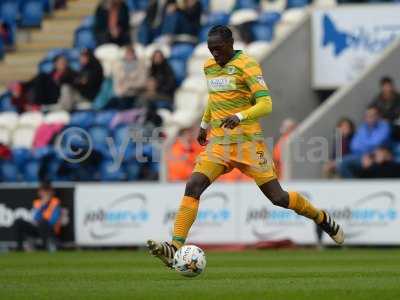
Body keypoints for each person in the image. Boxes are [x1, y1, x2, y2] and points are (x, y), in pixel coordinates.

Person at [147, 25, 344, 268]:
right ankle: (174, 247)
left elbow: (266, 104)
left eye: (218, 49)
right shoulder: (209, 67)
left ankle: (321, 218)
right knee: (193, 185)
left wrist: (240, 116)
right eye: (211, 50)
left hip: (248, 144)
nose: (214, 55)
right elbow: (214, 97)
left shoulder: (248, 65)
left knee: (278, 197)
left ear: (231, 44)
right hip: (219, 144)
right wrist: (204, 123)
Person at [338, 106, 391, 178]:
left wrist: (367, 151)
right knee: (341, 163)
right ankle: (353, 186)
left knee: (379, 158)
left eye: (372, 115)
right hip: (361, 156)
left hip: (378, 154)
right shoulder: (362, 128)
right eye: (367, 116)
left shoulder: (384, 125)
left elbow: (378, 142)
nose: (370, 118)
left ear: (378, 116)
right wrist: (365, 154)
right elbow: (354, 146)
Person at [14, 182, 62, 252]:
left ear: (51, 192)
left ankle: (46, 247)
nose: (45, 193)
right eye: (43, 191)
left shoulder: (55, 202)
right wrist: (42, 206)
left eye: (46, 191)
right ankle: (19, 248)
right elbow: (34, 217)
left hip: (50, 230)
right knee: (18, 221)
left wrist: (42, 219)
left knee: (43, 222)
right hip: (37, 228)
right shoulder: (37, 202)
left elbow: (53, 220)